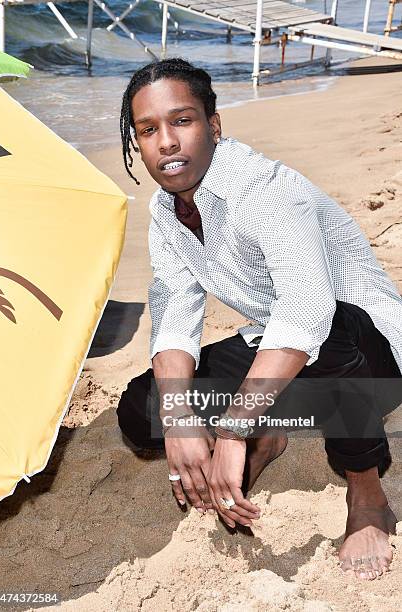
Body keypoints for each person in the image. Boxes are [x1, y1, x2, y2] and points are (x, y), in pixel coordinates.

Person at [117, 58, 402, 581]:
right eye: (148, 129)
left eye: (182, 120)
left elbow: (306, 311)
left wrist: (230, 429)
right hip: (283, 360)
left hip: (369, 358)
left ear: (214, 125)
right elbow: (176, 311)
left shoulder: (267, 190)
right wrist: (180, 419)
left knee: (331, 329)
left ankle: (366, 492)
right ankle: (270, 435)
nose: (166, 142)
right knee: (143, 408)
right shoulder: (165, 210)